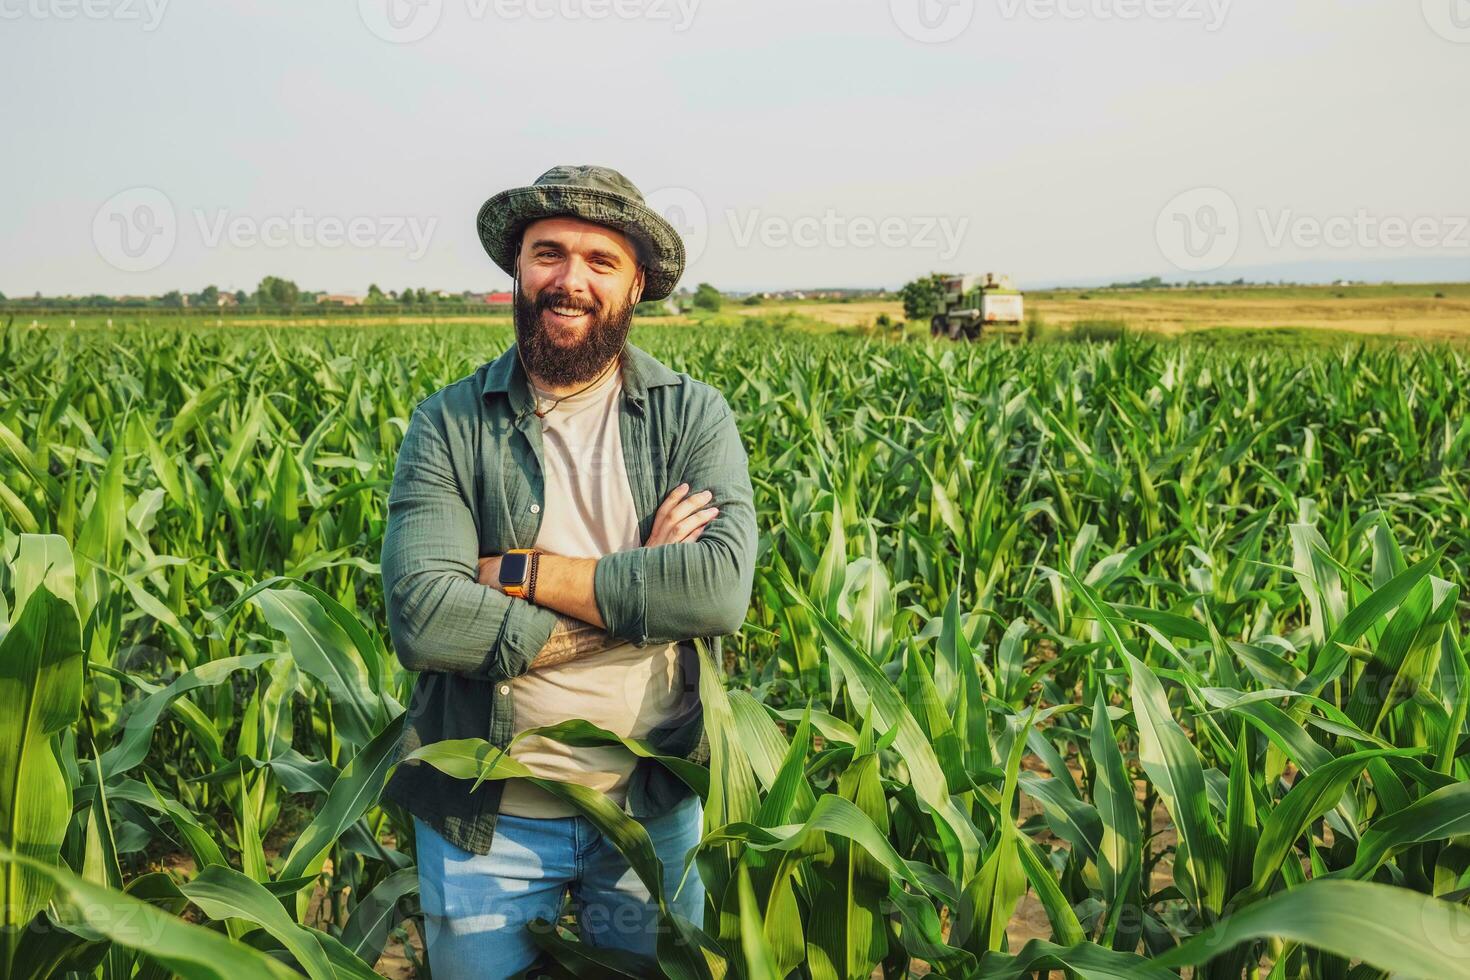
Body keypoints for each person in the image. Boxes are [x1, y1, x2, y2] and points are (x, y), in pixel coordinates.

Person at [378, 164, 757, 978]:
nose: (570, 280)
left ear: (636, 286)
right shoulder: (449, 424)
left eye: (600, 261)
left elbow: (719, 591)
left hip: (650, 803)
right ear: (517, 268)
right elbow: (425, 617)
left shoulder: (693, 415)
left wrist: (518, 571)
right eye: (549, 253)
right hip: (488, 819)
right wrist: (644, 587)